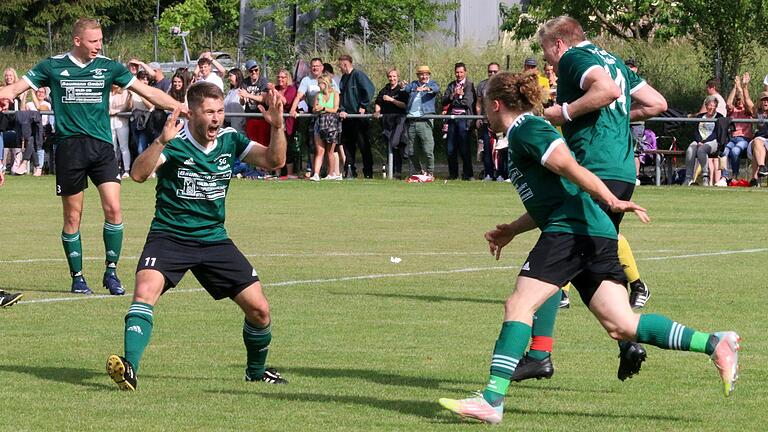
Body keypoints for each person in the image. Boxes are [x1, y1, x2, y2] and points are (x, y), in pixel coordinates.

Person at [437, 71, 741, 425]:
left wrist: (610, 198)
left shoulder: (527, 130)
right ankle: (714, 342)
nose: (481, 112)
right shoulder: (519, 135)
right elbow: (551, 200)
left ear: (495, 104)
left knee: (519, 304)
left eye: (482, 106)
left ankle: (492, 400)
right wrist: (512, 230)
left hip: (573, 231)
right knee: (622, 325)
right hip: (586, 231)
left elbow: (569, 167)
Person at [105, 82, 288, 391]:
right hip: (170, 235)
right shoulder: (175, 142)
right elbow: (137, 174)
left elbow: (274, 161)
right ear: (191, 114)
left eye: (220, 111)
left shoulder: (230, 140)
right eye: (209, 112)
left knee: (260, 310)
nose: (216, 118)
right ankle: (129, 368)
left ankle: (255, 372)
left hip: (214, 238)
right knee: (144, 292)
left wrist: (278, 127)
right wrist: (161, 142)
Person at [518, 15, 667, 382]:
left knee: (551, 264)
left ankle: (539, 354)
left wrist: (563, 113)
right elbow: (656, 103)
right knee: (590, 261)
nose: (551, 66)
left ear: (558, 44)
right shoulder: (613, 59)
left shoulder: (573, 58)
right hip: (621, 172)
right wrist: (614, 119)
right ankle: (625, 341)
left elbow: (606, 92)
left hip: (594, 169)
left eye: (547, 55)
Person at [0, 18, 186, 295]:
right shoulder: (53, 65)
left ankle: (111, 273)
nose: (98, 46)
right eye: (93, 41)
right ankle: (77, 277)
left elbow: (146, 91)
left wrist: (182, 107)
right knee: (73, 216)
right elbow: (13, 90)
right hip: (69, 149)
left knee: (114, 209)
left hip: (101, 148)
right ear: (77, 41)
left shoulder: (109, 67)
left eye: (100, 40)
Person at [338, 54, 376, 179]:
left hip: (359, 118)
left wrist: (363, 105)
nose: (339, 68)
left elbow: (369, 90)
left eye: (340, 65)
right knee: (348, 145)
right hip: (347, 118)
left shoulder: (358, 75)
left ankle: (368, 172)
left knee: (363, 145)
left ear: (345, 64)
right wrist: (342, 109)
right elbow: (342, 96)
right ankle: (350, 170)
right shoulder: (343, 78)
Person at [403, 65, 440, 181]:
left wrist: (426, 89)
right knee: (411, 152)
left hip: (425, 121)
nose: (424, 76)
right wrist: (415, 89)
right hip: (412, 122)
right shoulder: (414, 84)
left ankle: (430, 173)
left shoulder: (432, 84)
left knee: (428, 150)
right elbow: (406, 89)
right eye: (421, 74)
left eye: (426, 74)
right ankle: (420, 172)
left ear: (429, 75)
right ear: (418, 76)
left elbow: (436, 89)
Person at [442, 62, 476, 180]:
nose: (459, 74)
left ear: (465, 72)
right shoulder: (451, 85)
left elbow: (467, 102)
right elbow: (444, 100)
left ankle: (468, 174)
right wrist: (454, 95)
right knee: (450, 149)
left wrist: (454, 100)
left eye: (461, 72)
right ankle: (453, 175)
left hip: (464, 119)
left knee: (464, 148)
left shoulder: (470, 85)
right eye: (457, 72)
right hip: (452, 120)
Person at [374, 69, 409, 179]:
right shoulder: (384, 90)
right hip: (387, 122)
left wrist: (391, 100)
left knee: (396, 144)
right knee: (390, 147)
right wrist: (377, 111)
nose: (392, 78)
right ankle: (393, 172)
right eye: (390, 76)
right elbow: (378, 102)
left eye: (394, 76)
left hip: (399, 121)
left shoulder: (402, 90)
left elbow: (404, 105)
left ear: (398, 77)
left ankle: (398, 170)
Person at [720, 73, 754, 183]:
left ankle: (735, 175)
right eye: (737, 100)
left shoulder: (747, 111)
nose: (739, 102)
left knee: (735, 151)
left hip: (744, 139)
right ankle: (724, 176)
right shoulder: (733, 110)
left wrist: (744, 87)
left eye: (740, 100)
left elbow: (748, 104)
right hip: (732, 139)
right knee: (724, 151)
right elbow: (728, 103)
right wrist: (735, 87)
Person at [684, 96, 724, 186]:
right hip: (699, 140)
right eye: (709, 105)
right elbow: (696, 131)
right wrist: (699, 141)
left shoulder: (719, 117)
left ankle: (705, 176)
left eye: (713, 105)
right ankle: (688, 178)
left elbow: (716, 133)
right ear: (706, 106)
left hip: (713, 141)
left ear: (716, 106)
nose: (711, 108)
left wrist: (704, 142)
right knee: (690, 149)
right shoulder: (700, 116)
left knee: (702, 150)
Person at [310, 74, 342, 181]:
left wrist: (324, 107)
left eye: (320, 84)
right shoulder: (318, 95)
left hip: (332, 124)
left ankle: (332, 173)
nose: (319, 86)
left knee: (330, 151)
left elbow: (335, 109)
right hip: (320, 123)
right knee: (319, 150)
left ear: (326, 83)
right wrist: (316, 108)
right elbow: (314, 109)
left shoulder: (335, 94)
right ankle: (316, 174)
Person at [476, 63, 501, 180]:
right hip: (486, 121)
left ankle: (502, 174)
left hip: (500, 123)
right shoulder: (482, 85)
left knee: (501, 149)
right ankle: (489, 174)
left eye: (495, 71)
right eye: (490, 71)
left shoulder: (503, 85)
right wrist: (478, 117)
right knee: (487, 148)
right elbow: (478, 103)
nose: (492, 74)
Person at [109, 84, 132, 178]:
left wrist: (113, 111)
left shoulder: (125, 92)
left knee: (124, 147)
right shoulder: (108, 93)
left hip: (121, 121)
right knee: (112, 146)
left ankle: (126, 169)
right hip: (109, 121)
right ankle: (114, 168)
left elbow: (125, 107)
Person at [747, 91, 768, 185]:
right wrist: (744, 87)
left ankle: (754, 179)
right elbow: (747, 101)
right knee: (757, 142)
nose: (765, 102)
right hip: (759, 140)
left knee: (758, 150)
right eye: (763, 100)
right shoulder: (757, 112)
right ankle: (762, 167)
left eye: (767, 100)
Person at [223, 68, 246, 133]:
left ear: (237, 76)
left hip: (238, 126)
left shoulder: (242, 90)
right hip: (228, 123)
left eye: (231, 76)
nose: (229, 78)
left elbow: (243, 103)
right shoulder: (231, 91)